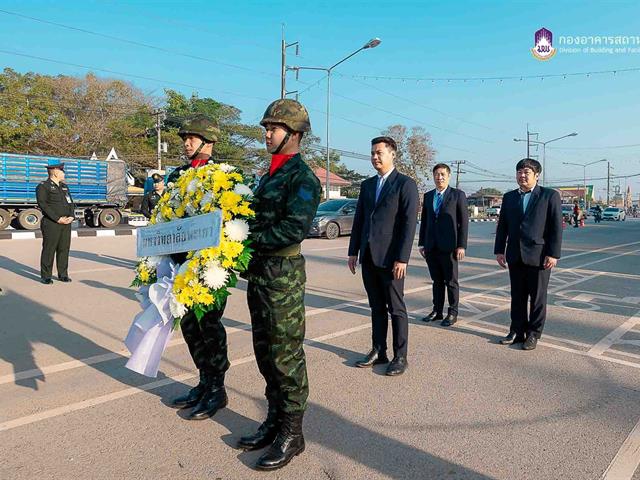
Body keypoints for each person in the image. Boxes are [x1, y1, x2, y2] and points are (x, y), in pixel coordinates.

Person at [239, 99, 321, 470]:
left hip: (283, 278)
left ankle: (293, 431)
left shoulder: (302, 177)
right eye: (266, 128)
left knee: (286, 356)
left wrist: (245, 240)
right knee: (264, 352)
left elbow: (294, 228)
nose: (267, 134)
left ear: (295, 133)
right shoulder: (269, 174)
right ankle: (273, 419)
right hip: (259, 275)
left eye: (273, 128)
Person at [168, 115, 231, 421]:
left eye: (192, 138)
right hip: (180, 267)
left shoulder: (226, 176)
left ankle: (217, 389)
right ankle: (203, 382)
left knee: (210, 328)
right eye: (185, 138)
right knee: (190, 327)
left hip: (209, 268)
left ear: (209, 142)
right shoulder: (176, 175)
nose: (186, 143)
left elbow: (232, 223)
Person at [347, 136, 419, 376]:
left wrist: (402, 258)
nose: (375, 157)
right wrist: (353, 251)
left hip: (391, 259)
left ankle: (401, 356)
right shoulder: (367, 185)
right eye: (372, 153)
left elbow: (409, 224)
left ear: (392, 154)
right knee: (376, 307)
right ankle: (379, 350)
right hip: (368, 257)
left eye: (379, 152)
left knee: (396, 308)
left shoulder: (405, 184)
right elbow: (359, 220)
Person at [494, 158, 562, 350]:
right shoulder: (509, 197)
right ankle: (516, 330)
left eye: (527, 172)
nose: (522, 176)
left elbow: (555, 227)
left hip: (539, 256)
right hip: (515, 255)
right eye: (519, 172)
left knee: (538, 298)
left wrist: (553, 254)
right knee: (517, 296)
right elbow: (503, 227)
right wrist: (500, 250)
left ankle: (533, 333)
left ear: (537, 175)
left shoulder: (549, 196)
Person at [418, 163, 469, 326]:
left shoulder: (457, 195)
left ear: (449, 176)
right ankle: (437, 310)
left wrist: (461, 245)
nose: (439, 177)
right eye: (436, 174)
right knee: (437, 281)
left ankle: (452, 312)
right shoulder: (428, 196)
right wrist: (421, 243)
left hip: (450, 247)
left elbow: (464, 222)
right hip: (431, 246)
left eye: (442, 174)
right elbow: (424, 221)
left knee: (451, 281)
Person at [36, 161, 75, 284]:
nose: (64, 173)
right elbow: (43, 205)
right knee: (49, 249)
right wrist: (57, 218)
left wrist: (71, 216)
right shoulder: (43, 186)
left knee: (64, 248)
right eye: (62, 171)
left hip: (66, 222)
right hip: (52, 223)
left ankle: (63, 274)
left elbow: (70, 203)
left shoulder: (64, 187)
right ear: (55, 172)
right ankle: (46, 275)